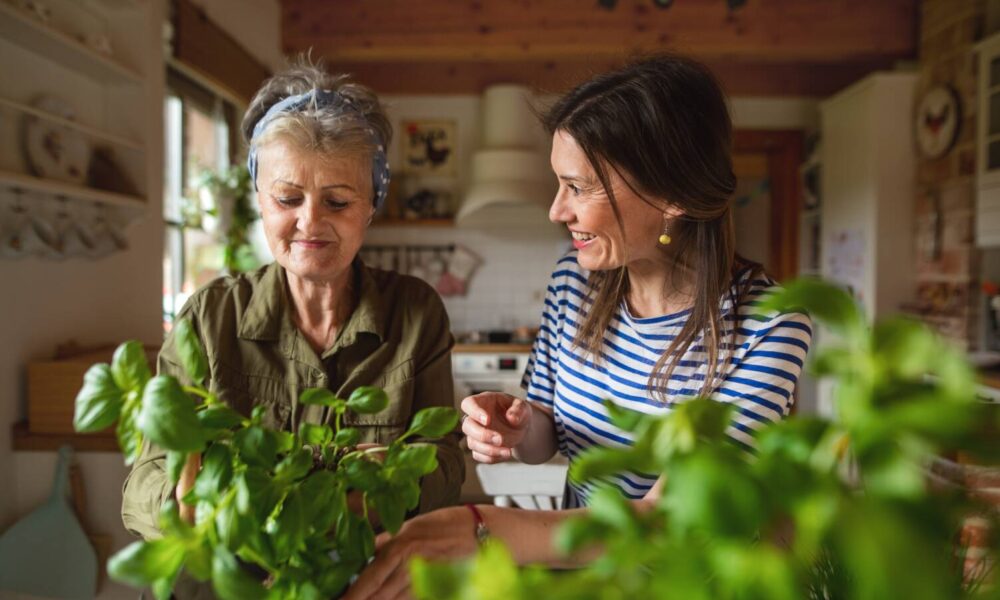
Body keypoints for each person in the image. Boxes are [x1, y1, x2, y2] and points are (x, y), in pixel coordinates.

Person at [343, 54, 813, 599]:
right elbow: (547, 440)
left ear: (672, 198)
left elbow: (671, 520)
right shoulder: (575, 281)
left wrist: (481, 528)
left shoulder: (769, 324)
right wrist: (517, 425)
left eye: (578, 187)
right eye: (557, 184)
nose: (555, 210)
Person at [121, 60, 464, 545]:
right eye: (288, 199)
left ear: (372, 205)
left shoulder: (415, 312)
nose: (310, 223)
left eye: (339, 202)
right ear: (260, 199)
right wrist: (195, 506)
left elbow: (445, 462)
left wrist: (353, 502)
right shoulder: (210, 316)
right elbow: (144, 480)